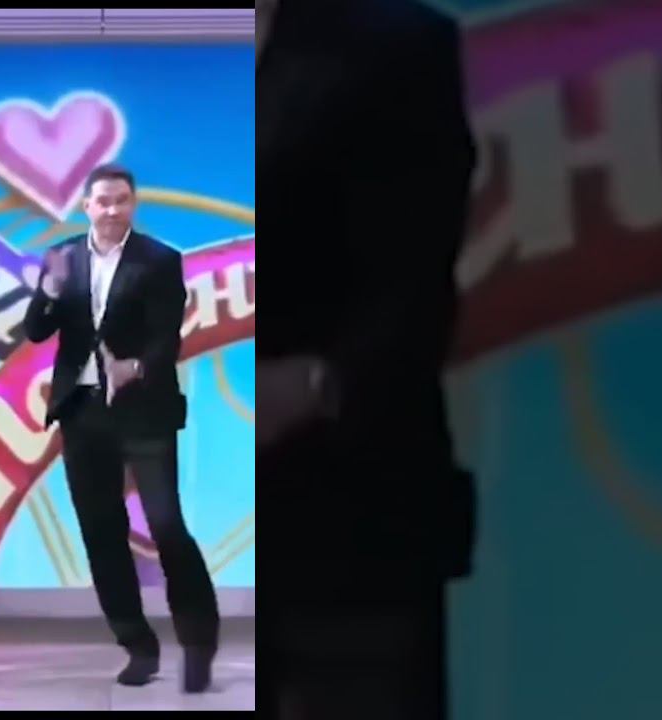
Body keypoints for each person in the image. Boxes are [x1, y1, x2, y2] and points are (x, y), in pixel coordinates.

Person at [258, 0, 478, 718]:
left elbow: (411, 288)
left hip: (339, 530)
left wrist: (315, 386)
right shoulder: (109, 52)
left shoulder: (393, 48)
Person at [23, 163, 220, 693]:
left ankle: (198, 645)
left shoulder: (159, 260)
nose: (112, 210)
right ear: (86, 206)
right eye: (103, 201)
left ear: (133, 205)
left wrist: (135, 368)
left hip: (143, 410)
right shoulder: (63, 258)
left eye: (121, 200)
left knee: (166, 525)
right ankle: (137, 646)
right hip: (82, 412)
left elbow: (166, 336)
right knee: (101, 532)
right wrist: (48, 290)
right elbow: (36, 330)